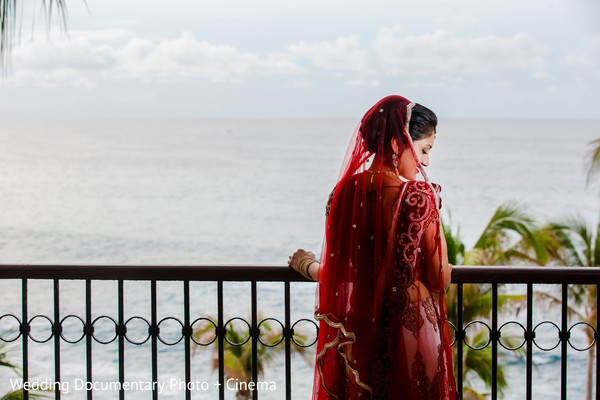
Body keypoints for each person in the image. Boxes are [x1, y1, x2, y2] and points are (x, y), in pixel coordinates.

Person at [288, 95, 457, 399]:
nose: (426, 163)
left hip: (360, 329)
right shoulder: (416, 197)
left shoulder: (342, 195)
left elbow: (342, 274)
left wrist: (306, 266)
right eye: (424, 150)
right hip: (410, 331)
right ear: (397, 144)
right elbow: (439, 278)